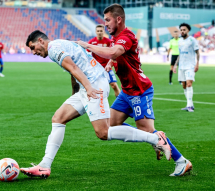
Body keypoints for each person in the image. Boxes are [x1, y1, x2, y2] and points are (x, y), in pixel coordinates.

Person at [20, 30, 171, 178]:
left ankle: (156, 139)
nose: (34, 52)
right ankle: (44, 166)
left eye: (33, 47)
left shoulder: (53, 49)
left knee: (103, 132)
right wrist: (76, 93)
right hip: (88, 86)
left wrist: (88, 88)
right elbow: (73, 70)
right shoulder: (60, 44)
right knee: (58, 118)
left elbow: (73, 68)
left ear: (41, 41)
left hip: (94, 85)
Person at [76, 4, 192, 176]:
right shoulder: (116, 36)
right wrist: (111, 62)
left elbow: (115, 51)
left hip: (139, 91)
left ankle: (181, 161)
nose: (105, 24)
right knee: (111, 124)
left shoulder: (126, 36)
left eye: (108, 20)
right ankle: (154, 138)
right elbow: (118, 54)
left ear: (118, 19)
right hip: (127, 92)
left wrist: (89, 46)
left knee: (147, 131)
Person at [173, 23, 200, 112]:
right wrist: (175, 65)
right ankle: (190, 104)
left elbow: (197, 52)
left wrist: (197, 64)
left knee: (189, 84)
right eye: (181, 30)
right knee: (184, 85)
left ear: (188, 30)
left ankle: (189, 105)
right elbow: (180, 54)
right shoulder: (180, 41)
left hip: (190, 66)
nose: (182, 31)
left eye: (184, 30)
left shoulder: (192, 40)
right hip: (182, 66)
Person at [88, 24, 120, 97]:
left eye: (101, 31)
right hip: (96, 69)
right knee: (95, 87)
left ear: (103, 31)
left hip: (107, 68)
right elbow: (86, 53)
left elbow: (113, 53)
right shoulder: (91, 42)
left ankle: (121, 103)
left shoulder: (108, 42)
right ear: (96, 32)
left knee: (114, 85)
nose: (99, 32)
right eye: (98, 31)